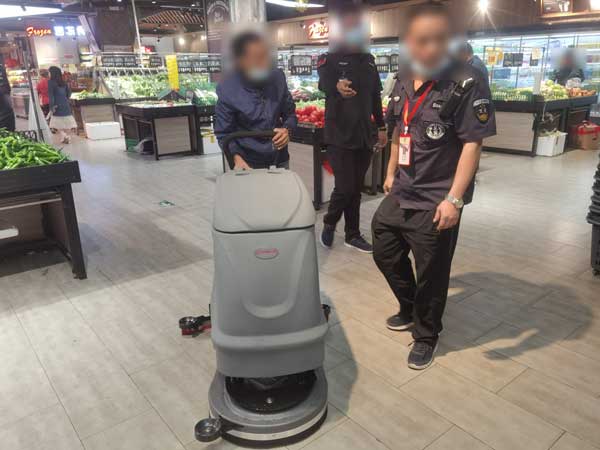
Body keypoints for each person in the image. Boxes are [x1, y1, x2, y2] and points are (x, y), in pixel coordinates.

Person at [372, 2, 496, 370]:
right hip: (404, 187)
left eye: (437, 39)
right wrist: (391, 170)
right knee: (384, 247)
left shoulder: (466, 81)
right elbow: (399, 129)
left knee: (432, 272)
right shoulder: (403, 76)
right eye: (420, 40)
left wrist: (454, 200)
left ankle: (426, 334)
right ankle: (411, 306)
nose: (429, 48)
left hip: (438, 195)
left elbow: (473, 144)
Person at [317, 3, 387, 253]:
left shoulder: (369, 61)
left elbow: (376, 97)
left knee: (355, 188)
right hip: (339, 135)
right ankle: (329, 222)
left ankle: (352, 234)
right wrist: (337, 87)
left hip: (364, 135)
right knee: (345, 186)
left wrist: (381, 127)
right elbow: (324, 83)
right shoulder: (328, 59)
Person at [215, 31, 297, 170]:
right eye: (257, 58)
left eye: (266, 56)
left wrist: (287, 130)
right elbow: (223, 133)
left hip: (279, 159)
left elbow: (291, 114)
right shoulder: (228, 89)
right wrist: (236, 158)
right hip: (247, 163)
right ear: (241, 61)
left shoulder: (277, 78)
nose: (265, 64)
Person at [48, 66, 76, 144]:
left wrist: (51, 106)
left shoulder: (50, 82)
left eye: (49, 72)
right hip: (65, 103)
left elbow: (51, 96)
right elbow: (69, 93)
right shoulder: (64, 82)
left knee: (57, 123)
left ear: (52, 73)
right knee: (66, 122)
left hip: (56, 104)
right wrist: (65, 99)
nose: (49, 74)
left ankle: (64, 136)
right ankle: (65, 137)